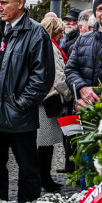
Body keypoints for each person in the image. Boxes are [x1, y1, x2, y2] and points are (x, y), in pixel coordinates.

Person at [0, 0, 55, 203]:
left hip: (18, 115)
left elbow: (42, 77)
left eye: (4, 2)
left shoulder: (36, 32)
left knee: (28, 167)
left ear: (20, 3)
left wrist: (19, 104)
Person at [37, 17, 73, 192]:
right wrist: (68, 95)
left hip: (42, 100)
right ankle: (44, 179)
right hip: (48, 101)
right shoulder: (50, 47)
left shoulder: (42, 45)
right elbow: (58, 77)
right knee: (45, 143)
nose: (61, 35)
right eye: (60, 32)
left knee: (44, 144)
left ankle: (44, 177)